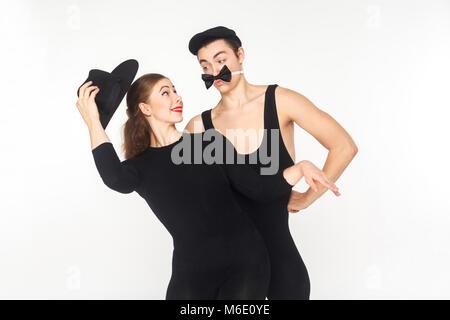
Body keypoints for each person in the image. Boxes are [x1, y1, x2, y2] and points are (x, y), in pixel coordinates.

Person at [185, 26, 357, 299]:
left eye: (221, 60)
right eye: (205, 65)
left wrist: (308, 198)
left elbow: (344, 145)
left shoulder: (280, 101)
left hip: (282, 267)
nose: (214, 70)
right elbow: (188, 198)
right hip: (227, 271)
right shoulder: (198, 127)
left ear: (240, 55)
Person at [75, 74, 277, 300]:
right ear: (145, 108)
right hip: (192, 271)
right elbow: (114, 179)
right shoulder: (139, 167)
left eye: (175, 90)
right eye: (165, 93)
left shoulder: (209, 143)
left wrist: (298, 173)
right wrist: (93, 120)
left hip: (245, 262)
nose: (177, 97)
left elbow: (256, 187)